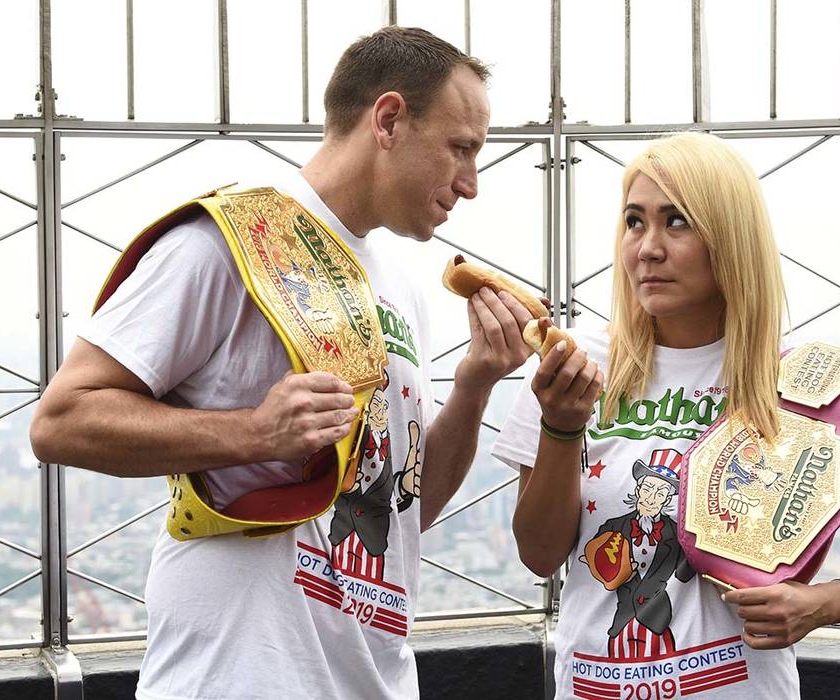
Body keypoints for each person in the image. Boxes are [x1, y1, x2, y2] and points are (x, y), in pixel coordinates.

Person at [30, 26, 536, 700]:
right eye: (461, 149)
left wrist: (474, 385)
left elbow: (402, 512)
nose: (470, 183)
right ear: (387, 120)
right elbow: (60, 420)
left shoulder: (401, 284)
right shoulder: (228, 239)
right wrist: (255, 433)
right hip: (237, 680)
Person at [492, 132, 840, 698]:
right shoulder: (574, 365)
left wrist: (820, 604)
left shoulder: (807, 384)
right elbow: (540, 555)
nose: (647, 248)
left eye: (677, 222)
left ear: (731, 239)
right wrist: (561, 427)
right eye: (634, 221)